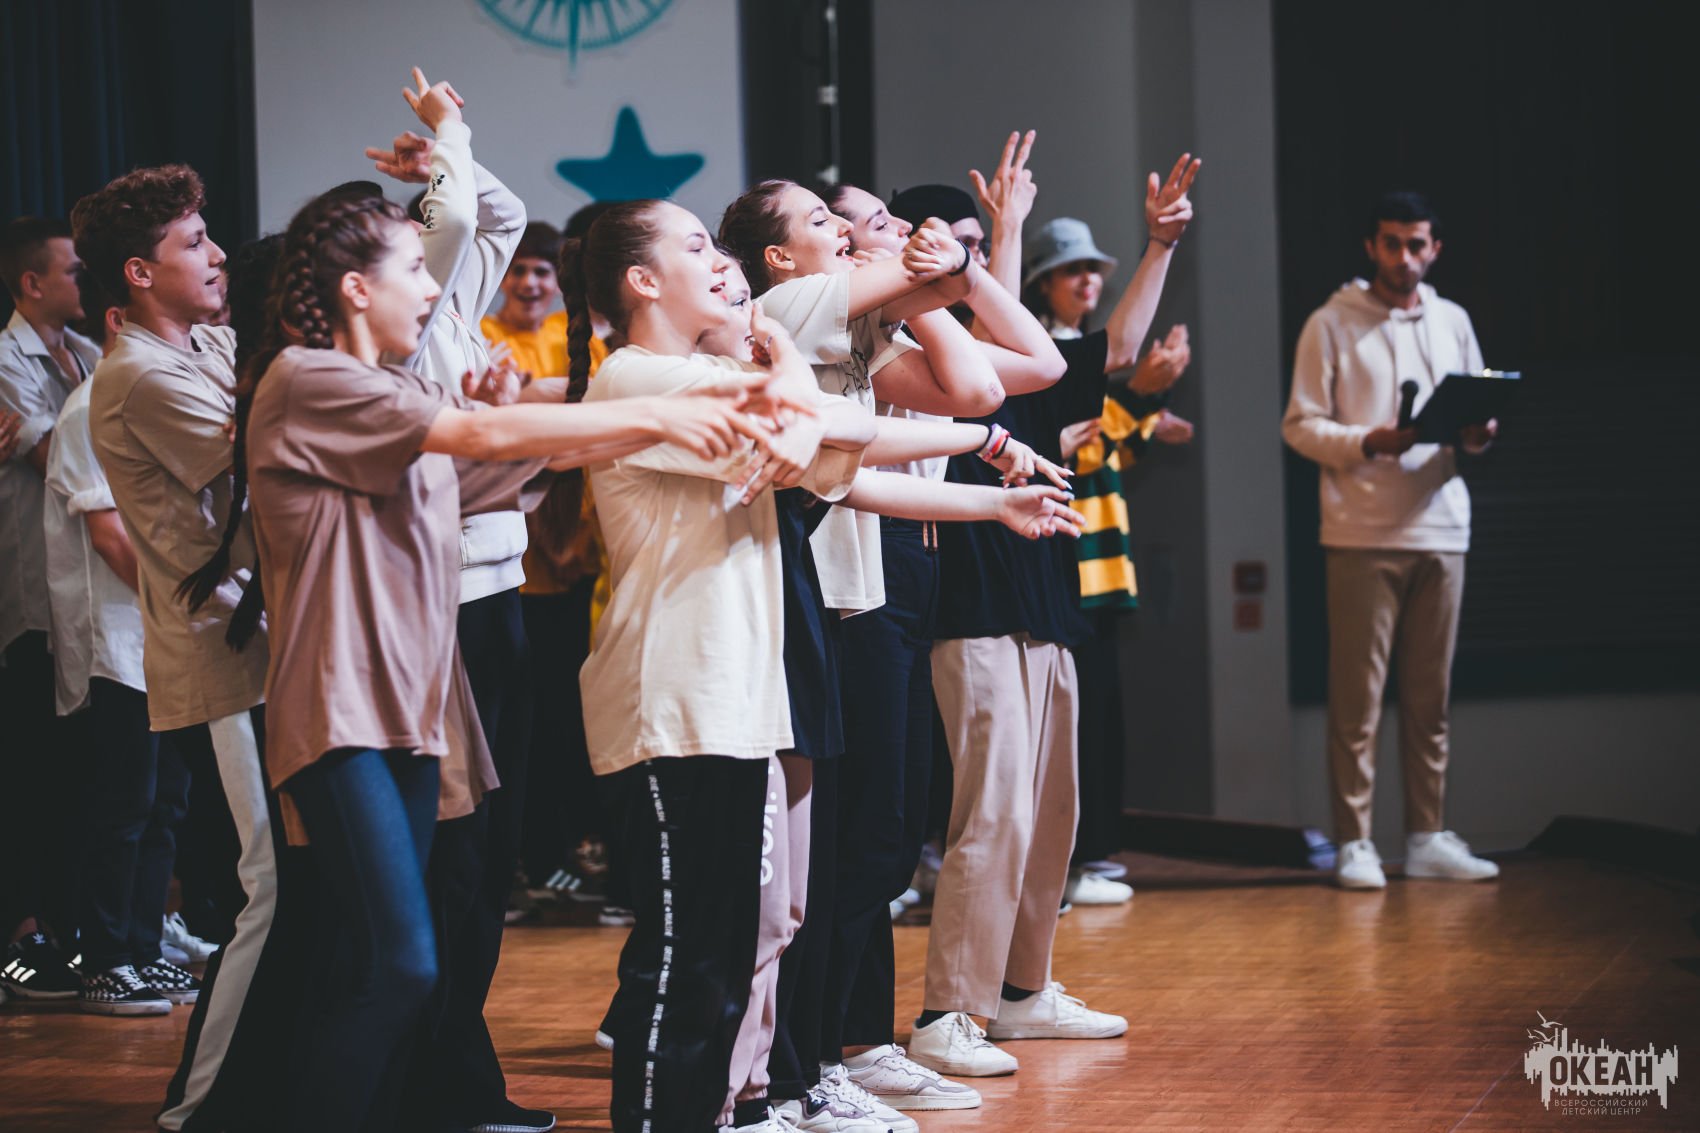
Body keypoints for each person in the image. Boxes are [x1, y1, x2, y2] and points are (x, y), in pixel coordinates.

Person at [218, 173, 758, 1130]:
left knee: (398, 959)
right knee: (396, 962)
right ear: (355, 287)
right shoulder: (308, 378)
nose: (433, 287)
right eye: (412, 269)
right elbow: (480, 432)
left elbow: (483, 466)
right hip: (341, 706)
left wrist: (530, 435)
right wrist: (652, 412)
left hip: (417, 705)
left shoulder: (395, 387)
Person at [910, 151, 1200, 1081]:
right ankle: (949, 1010)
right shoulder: (917, 363)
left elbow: (1114, 350)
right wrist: (1002, 235)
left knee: (1049, 821)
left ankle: (1021, 990)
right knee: (991, 816)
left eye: (977, 251)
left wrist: (1159, 245)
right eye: (953, 249)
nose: (971, 267)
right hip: (971, 613)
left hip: (1048, 610)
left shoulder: (1023, 363)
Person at [561, 198, 847, 1133]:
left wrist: (987, 448)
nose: (721, 261)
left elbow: (829, 440)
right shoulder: (637, 375)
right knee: (685, 963)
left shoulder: (710, 373)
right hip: (671, 699)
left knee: (722, 958)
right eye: (696, 245)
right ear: (643, 281)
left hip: (728, 700)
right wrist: (780, 343)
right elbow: (802, 426)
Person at [361, 68, 556, 1133]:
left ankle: (451, 1075)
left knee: (486, 859)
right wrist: (447, 135)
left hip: (495, 598)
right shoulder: (397, 332)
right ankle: (435, 1083)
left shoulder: (444, 311)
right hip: (445, 610)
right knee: (458, 861)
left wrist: (447, 163)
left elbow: (498, 214)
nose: (425, 259)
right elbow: (462, 222)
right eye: (401, 253)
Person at [1280, 190, 1501, 891]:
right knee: (1358, 698)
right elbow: (1299, 425)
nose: (1405, 257)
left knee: (1430, 699)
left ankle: (1427, 836)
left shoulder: (1453, 320)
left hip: (1442, 525)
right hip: (1362, 530)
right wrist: (1369, 441)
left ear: (1435, 249)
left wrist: (1478, 430)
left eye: (1417, 244)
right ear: (1371, 247)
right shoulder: (1331, 322)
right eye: (1392, 243)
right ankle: (1355, 841)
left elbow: (1474, 410)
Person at [44, 285, 193, 1016]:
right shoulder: (89, 408)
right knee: (123, 806)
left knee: (166, 802)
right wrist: (186, 605)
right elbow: (108, 537)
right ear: (118, 316)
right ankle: (105, 958)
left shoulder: (155, 397)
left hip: (168, 640)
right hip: (121, 640)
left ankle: (143, 945)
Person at [1056, 323, 1195, 906]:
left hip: (1103, 567)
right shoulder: (1046, 354)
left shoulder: (1076, 351)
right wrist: (1138, 397)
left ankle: (1088, 854)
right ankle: (1069, 860)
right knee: (1072, 727)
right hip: (1069, 568)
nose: (1088, 282)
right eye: (1072, 276)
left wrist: (1145, 405)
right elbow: (1076, 449)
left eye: (1092, 275)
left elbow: (1109, 450)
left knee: (1099, 721)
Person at [0, 217, 101, 1002]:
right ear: (32, 283)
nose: (85, 278)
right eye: (72, 270)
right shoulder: (7, 360)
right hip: (28, 598)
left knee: (77, 776)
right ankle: (21, 934)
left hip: (82, 596)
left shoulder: (91, 354)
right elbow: (59, 457)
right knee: (27, 772)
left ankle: (70, 926)